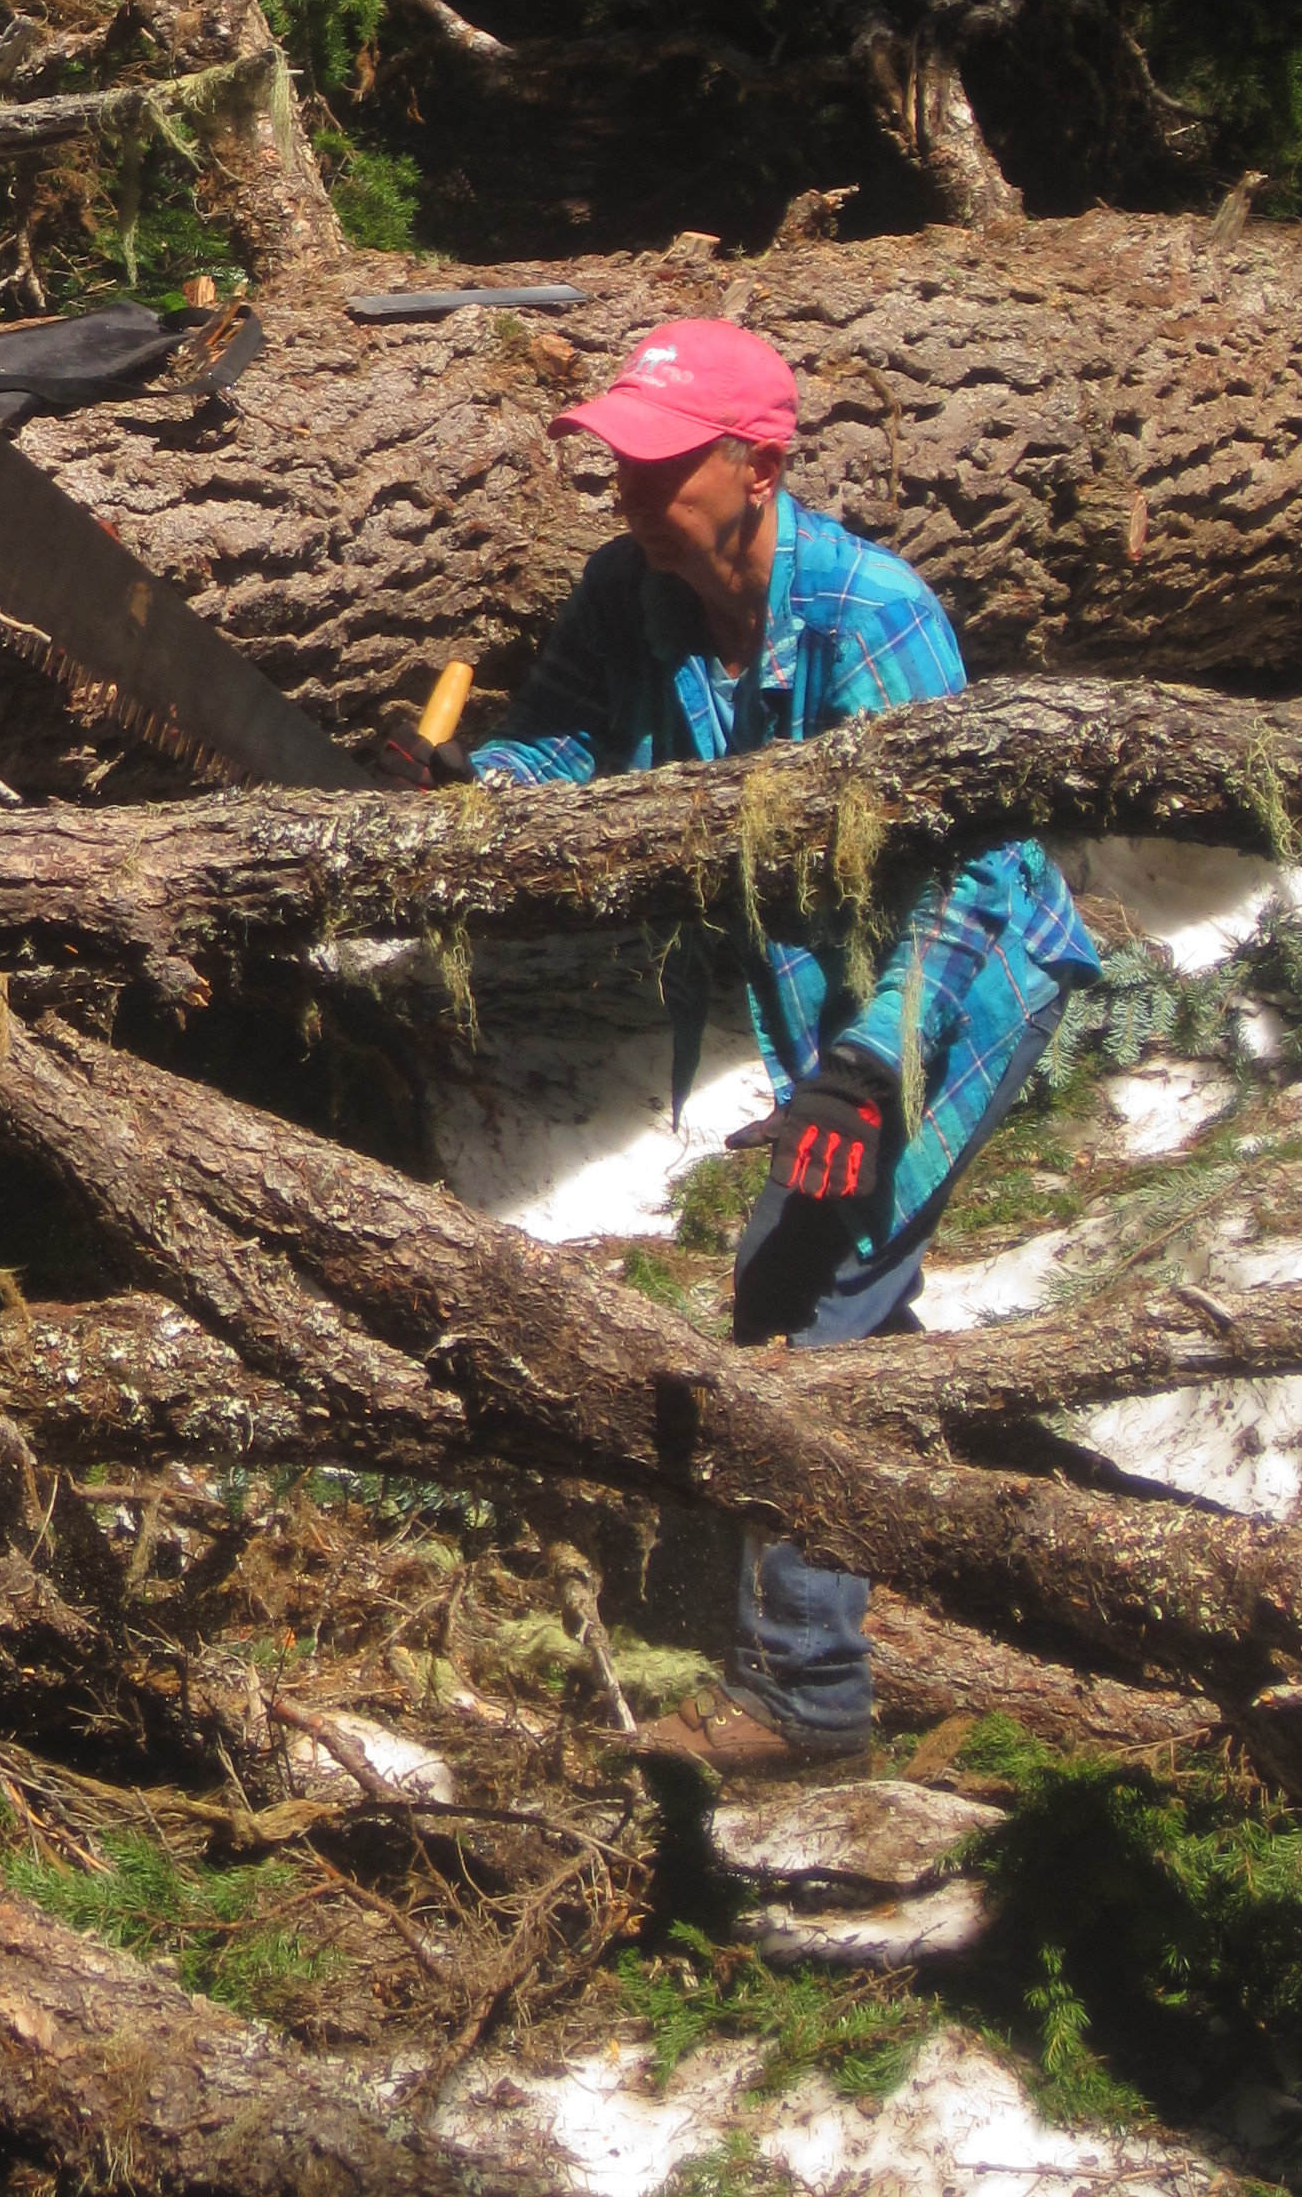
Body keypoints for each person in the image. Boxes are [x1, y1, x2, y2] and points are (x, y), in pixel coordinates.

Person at [461, 316, 1094, 1774]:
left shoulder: (872, 614)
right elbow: (564, 739)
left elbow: (974, 874)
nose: (629, 488)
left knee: (797, 1284)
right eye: (621, 457)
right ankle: (978, 1542)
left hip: (964, 979)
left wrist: (879, 1066)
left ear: (758, 464)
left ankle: (809, 1697)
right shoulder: (632, 589)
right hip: (821, 996)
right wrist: (477, 788)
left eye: (664, 463)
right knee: (853, 1301)